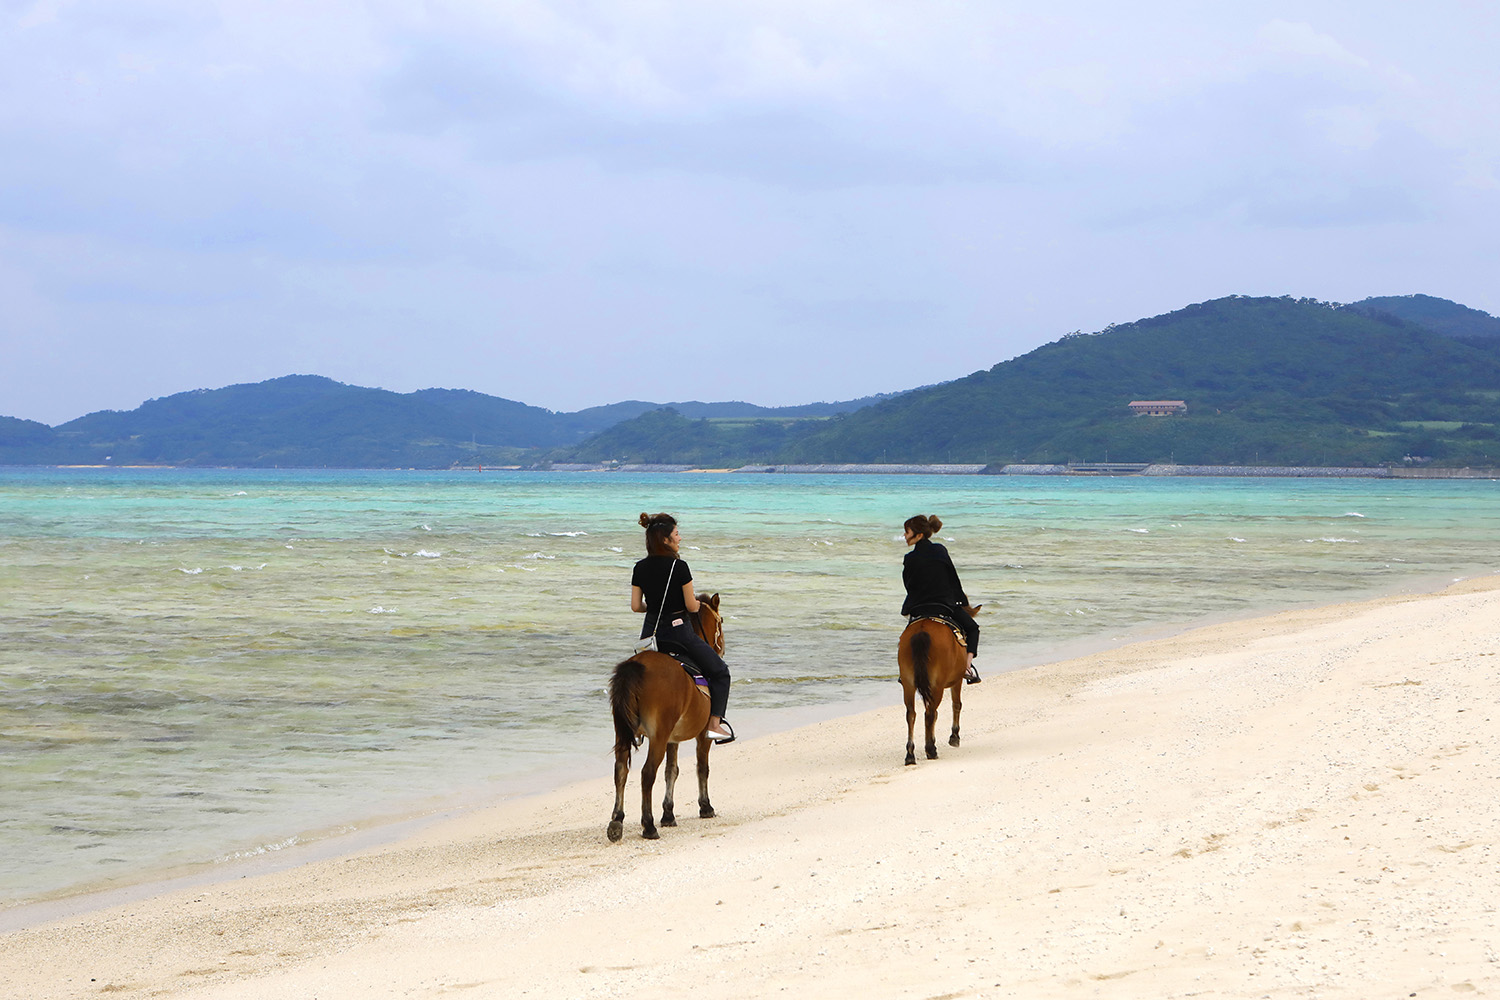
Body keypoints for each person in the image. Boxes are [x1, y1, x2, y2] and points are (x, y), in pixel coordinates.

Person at [630, 512, 734, 742]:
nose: (680, 538)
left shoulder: (639, 568)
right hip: (679, 634)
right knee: (720, 672)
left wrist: (655, 605)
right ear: (665, 540)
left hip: (650, 635)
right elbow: (690, 606)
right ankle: (715, 725)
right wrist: (696, 604)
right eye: (677, 534)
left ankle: (636, 724)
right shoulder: (680, 567)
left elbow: (636, 606)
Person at [900, 513, 981, 684]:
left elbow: (909, 585)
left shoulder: (909, 558)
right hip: (944, 606)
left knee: (906, 638)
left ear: (919, 535)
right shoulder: (940, 550)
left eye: (907, 532)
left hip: (919, 608)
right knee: (973, 629)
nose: (904, 536)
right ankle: (968, 668)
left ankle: (905, 671)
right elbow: (952, 577)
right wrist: (961, 601)